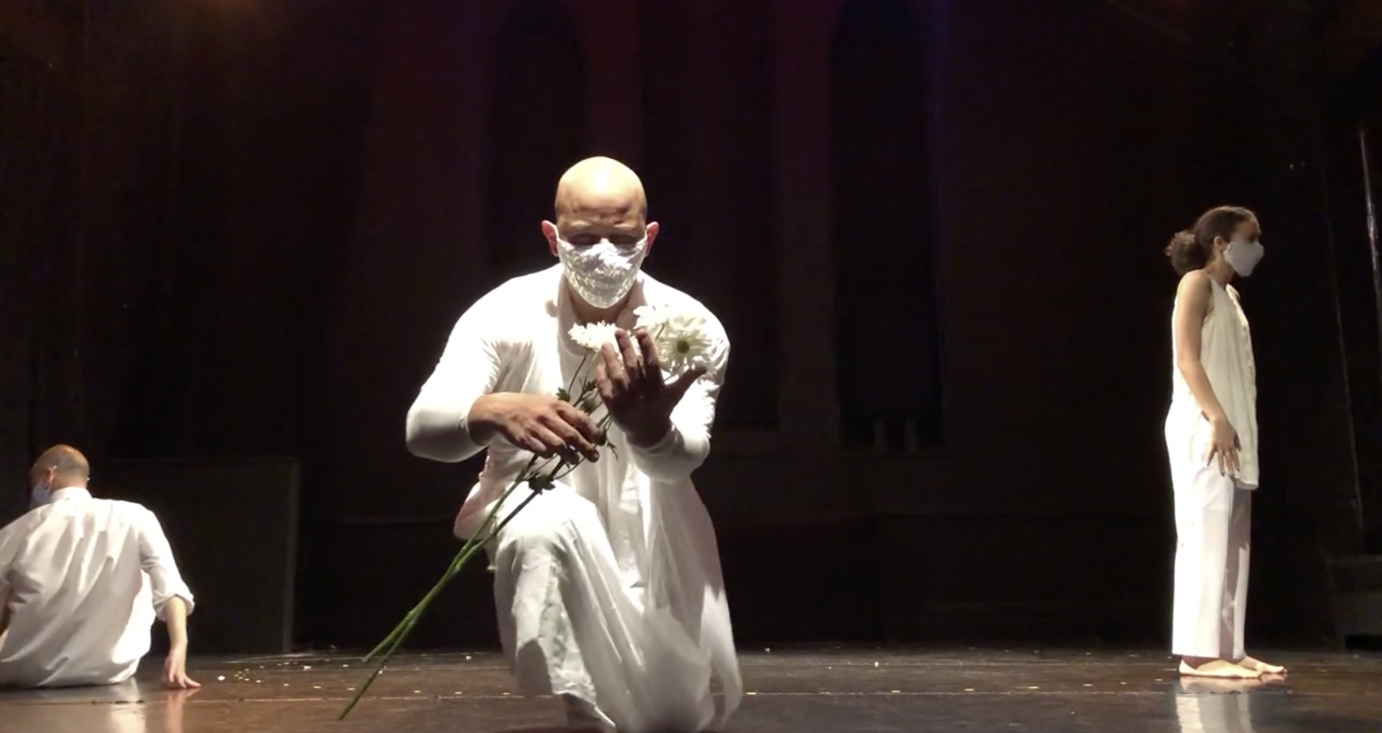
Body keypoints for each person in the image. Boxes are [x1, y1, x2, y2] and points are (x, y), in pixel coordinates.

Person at [405, 156, 742, 733]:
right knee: (548, 527)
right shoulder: (505, 313)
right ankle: (582, 708)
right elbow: (423, 431)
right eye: (584, 238)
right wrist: (491, 411)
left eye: (623, 237)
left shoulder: (689, 326)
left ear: (649, 237)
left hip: (654, 528)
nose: (604, 254)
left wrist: (649, 430)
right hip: (540, 504)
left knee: (669, 716)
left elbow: (683, 457)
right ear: (552, 236)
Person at [1163, 206, 1286, 679]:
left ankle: (1228, 647)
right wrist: (1215, 416)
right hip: (1203, 425)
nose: (1257, 246)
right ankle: (1197, 653)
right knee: (1205, 533)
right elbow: (1187, 358)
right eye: (1249, 237)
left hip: (1230, 429)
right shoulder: (1195, 284)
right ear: (1220, 242)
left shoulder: (1230, 295)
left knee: (1235, 541)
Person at [0, 444, 199, 689]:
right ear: (85, 480)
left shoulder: (14, 532)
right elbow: (171, 589)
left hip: (24, 672)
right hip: (108, 670)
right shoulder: (136, 516)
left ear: (47, 476)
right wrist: (179, 648)